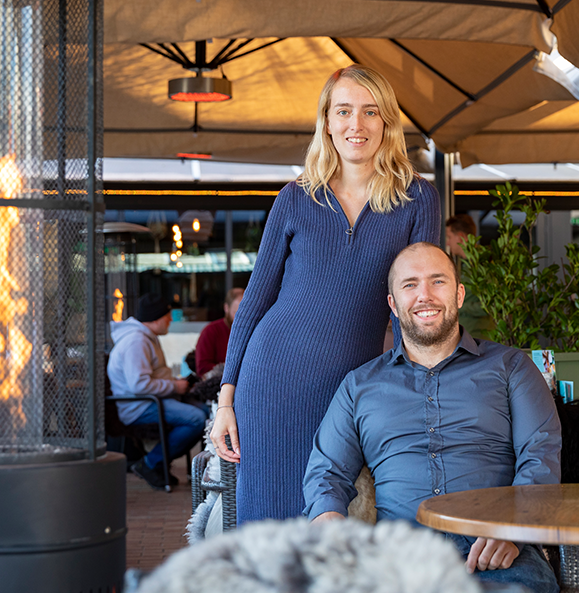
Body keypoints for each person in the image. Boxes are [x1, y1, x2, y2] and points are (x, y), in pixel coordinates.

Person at [210, 65, 442, 522]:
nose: (356, 125)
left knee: (339, 524)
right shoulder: (296, 198)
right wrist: (225, 400)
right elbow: (255, 300)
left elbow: (414, 309)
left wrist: (416, 389)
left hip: (352, 392)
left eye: (369, 112)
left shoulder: (418, 199)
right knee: (272, 528)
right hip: (272, 383)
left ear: (387, 122)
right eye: (344, 111)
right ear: (328, 122)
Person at [303, 242, 561, 593]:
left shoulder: (511, 367)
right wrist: (328, 521)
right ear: (393, 304)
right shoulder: (359, 385)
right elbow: (327, 470)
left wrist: (512, 527)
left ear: (459, 294)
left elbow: (540, 452)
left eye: (437, 281)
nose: (425, 295)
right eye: (410, 285)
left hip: (496, 555)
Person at [108, 293, 207, 490]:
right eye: (167, 316)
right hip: (140, 406)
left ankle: (159, 463)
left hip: (152, 401)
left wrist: (174, 383)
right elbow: (139, 385)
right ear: (155, 319)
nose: (171, 319)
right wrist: (174, 386)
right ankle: (150, 463)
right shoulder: (137, 342)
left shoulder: (147, 337)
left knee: (204, 412)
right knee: (196, 419)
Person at [445, 214, 495, 338]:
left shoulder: (483, 263)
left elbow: (490, 305)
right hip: (466, 335)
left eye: (450, 237)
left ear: (461, 237)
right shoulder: (463, 264)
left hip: (480, 337)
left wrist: (456, 305)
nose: (448, 242)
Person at [194, 287, 244, 376]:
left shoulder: (255, 331)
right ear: (226, 308)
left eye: (246, 313)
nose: (242, 319)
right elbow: (202, 368)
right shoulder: (210, 331)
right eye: (236, 313)